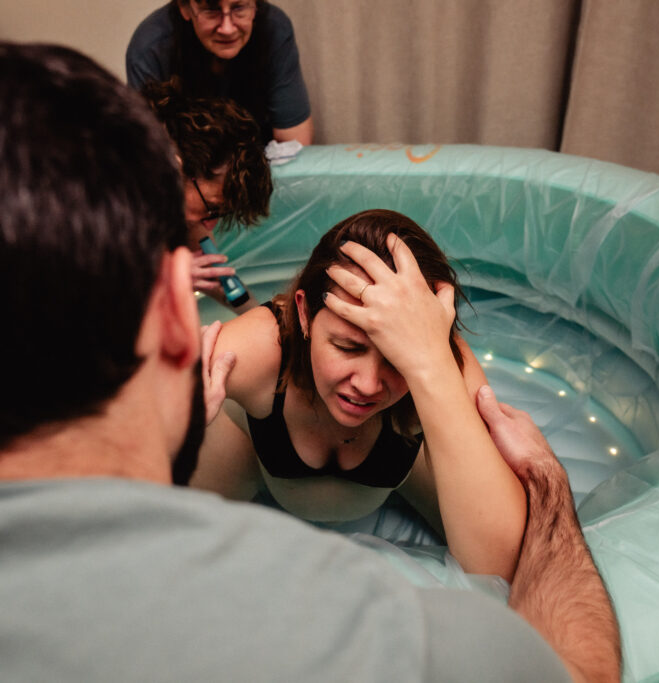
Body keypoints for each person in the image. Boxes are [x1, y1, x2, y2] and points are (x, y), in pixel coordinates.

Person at [0, 40, 619, 682]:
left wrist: (432, 370)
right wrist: (548, 488)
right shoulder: (380, 645)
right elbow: (577, 667)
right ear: (180, 306)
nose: (366, 377)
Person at [192, 209, 527, 580]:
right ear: (303, 313)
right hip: (249, 453)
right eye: (347, 347)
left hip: (402, 464)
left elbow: (500, 569)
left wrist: (428, 367)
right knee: (185, 542)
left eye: (396, 359)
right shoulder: (259, 350)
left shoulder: (441, 367)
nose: (368, 385)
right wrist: (174, 425)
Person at [143, 78, 272, 309]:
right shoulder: (110, 192)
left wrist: (270, 321)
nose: (207, 224)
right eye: (210, 207)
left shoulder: (176, 201)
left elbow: (224, 285)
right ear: (178, 164)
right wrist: (165, 277)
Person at [127, 0, 313, 145]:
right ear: (184, 7)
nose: (227, 28)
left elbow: (294, 143)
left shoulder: (275, 30)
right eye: (211, 9)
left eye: (239, 7)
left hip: (261, 171)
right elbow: (152, 158)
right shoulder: (150, 49)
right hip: (187, 177)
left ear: (256, 5)